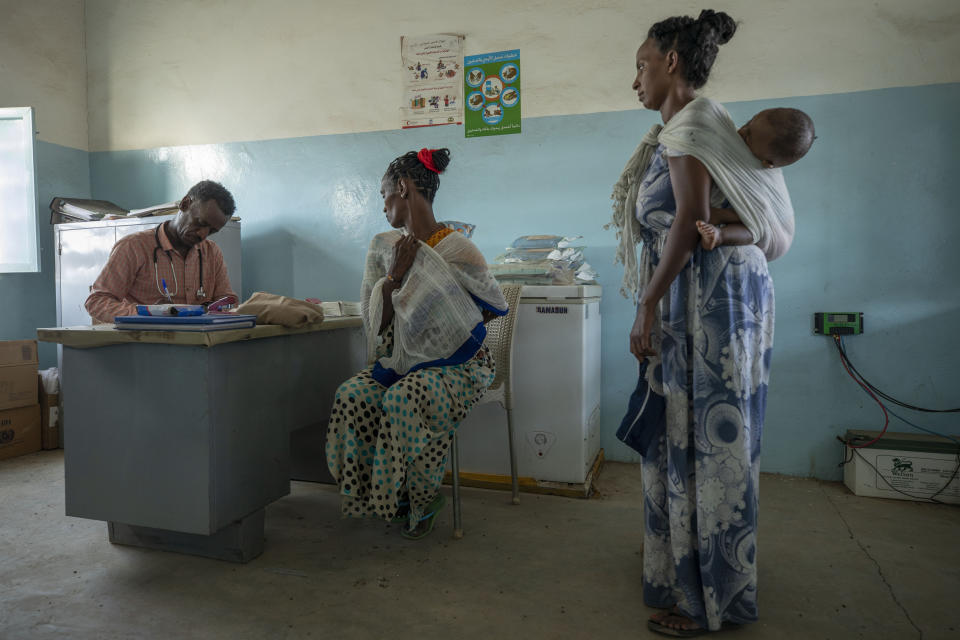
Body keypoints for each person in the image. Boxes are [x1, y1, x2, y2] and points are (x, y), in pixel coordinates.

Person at [608, 10, 781, 636]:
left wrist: (647, 303)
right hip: (715, 300)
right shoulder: (698, 127)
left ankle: (708, 601)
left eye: (641, 66)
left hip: (711, 305)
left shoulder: (689, 129)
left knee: (708, 449)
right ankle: (690, 576)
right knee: (685, 440)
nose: (636, 81)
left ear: (671, 63)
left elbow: (688, 224)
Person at [325, 148, 508, 540]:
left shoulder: (459, 249)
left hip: (461, 366)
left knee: (403, 399)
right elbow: (378, 325)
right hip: (400, 361)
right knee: (352, 394)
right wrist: (393, 278)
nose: (383, 205)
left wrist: (442, 330)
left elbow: (491, 308)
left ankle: (420, 498)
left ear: (403, 189)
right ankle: (380, 497)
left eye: (384, 194)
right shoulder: (384, 248)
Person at [84, 181, 238, 323]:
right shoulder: (134, 247)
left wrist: (223, 308)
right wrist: (148, 313)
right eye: (200, 223)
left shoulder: (211, 252)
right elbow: (96, 302)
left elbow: (227, 301)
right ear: (185, 204)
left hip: (198, 345)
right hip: (149, 344)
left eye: (211, 231)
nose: (203, 234)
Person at [697, 108, 815, 250]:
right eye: (748, 124)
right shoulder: (751, 150)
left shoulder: (762, 173)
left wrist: (722, 215)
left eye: (747, 138)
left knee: (754, 226)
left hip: (778, 234)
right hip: (766, 219)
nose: (741, 132)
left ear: (767, 163)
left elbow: (763, 214)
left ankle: (719, 236)